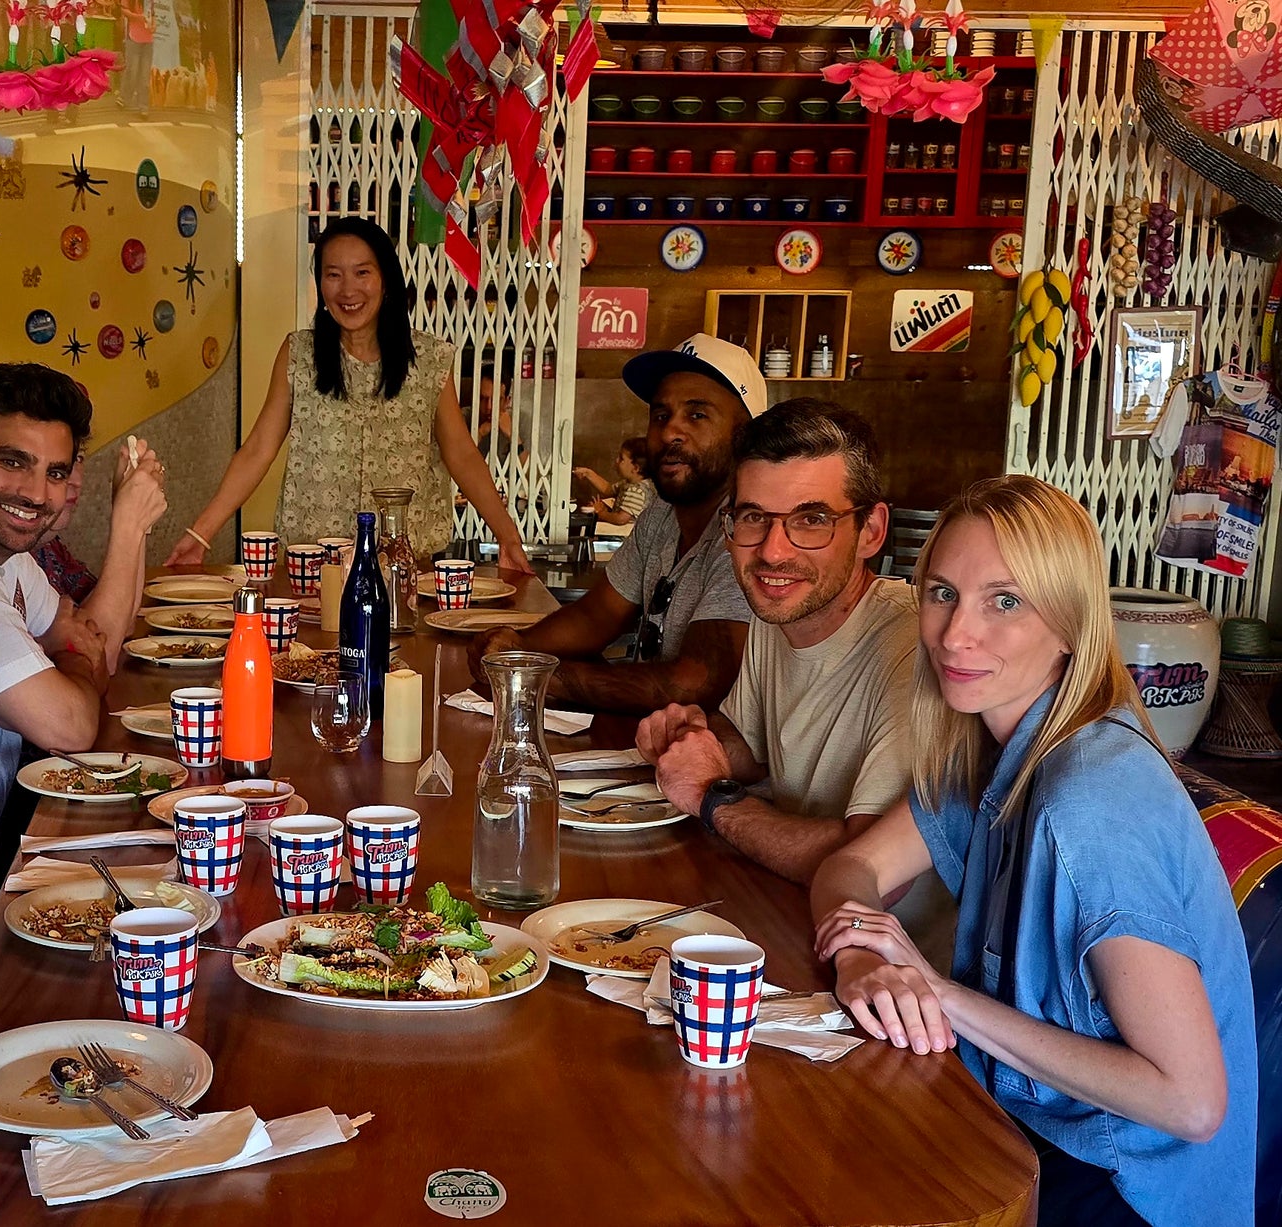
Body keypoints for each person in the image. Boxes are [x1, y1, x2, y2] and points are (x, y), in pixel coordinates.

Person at [811, 475, 1255, 1227]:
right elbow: (850, 867)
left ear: (1072, 624)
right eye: (943, 593)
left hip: (1126, 1186)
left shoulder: (1089, 800)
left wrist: (939, 993)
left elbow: (1190, 1101)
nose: (956, 634)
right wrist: (860, 956)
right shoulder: (997, 748)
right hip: (1031, 1124)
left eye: (1006, 601)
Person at [635, 400, 950, 961]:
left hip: (889, 977)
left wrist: (710, 796)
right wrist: (694, 739)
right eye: (754, 517)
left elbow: (872, 868)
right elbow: (750, 743)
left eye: (811, 520)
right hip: (781, 916)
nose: (772, 551)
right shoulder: (780, 609)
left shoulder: (915, 649)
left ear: (871, 530)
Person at [163, 217, 533, 572]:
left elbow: (462, 454)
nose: (348, 290)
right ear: (320, 284)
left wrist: (507, 536)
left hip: (403, 565)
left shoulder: (430, 359)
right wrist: (200, 535)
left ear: (385, 280)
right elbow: (258, 449)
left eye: (362, 273)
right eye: (333, 274)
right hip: (314, 566)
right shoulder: (299, 355)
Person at [0, 362, 168, 846]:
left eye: (55, 472)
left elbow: (98, 643)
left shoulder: (0, 547)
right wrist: (74, 665)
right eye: (13, 462)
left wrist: (133, 528)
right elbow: (71, 726)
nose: (37, 494)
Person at [469, 334, 764, 714]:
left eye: (697, 415)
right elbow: (596, 617)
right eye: (660, 415)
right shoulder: (661, 515)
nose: (670, 432)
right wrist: (514, 645)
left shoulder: (750, 534)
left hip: (719, 749)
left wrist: (528, 670)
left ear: (746, 435)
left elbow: (692, 683)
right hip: (650, 739)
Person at [30, 459, 100, 602]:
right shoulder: (0, 563)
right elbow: (104, 615)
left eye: (79, 458)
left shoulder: (50, 546)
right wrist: (129, 524)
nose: (77, 480)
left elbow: (110, 603)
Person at [573, 437, 654, 526]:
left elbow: (621, 519)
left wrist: (601, 513)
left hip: (624, 533)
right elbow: (608, 489)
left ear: (635, 468)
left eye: (621, 458)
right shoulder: (628, 483)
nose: (616, 460)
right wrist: (588, 473)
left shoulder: (636, 491)